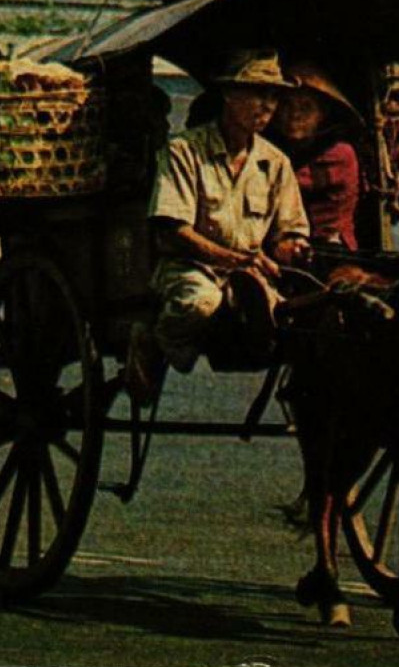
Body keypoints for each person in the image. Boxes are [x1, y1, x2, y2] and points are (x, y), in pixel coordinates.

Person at [125, 50, 311, 406]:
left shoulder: (276, 162)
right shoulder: (184, 151)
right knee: (201, 304)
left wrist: (294, 249)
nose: (267, 106)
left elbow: (289, 231)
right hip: (189, 268)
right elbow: (173, 231)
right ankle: (152, 341)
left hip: (251, 273)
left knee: (288, 318)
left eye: (273, 96)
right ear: (228, 94)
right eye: (257, 93)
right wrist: (234, 259)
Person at [270, 61, 363, 250]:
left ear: (322, 114)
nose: (295, 115)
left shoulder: (339, 153)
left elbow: (288, 184)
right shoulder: (273, 148)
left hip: (329, 247)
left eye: (306, 108)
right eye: (287, 105)